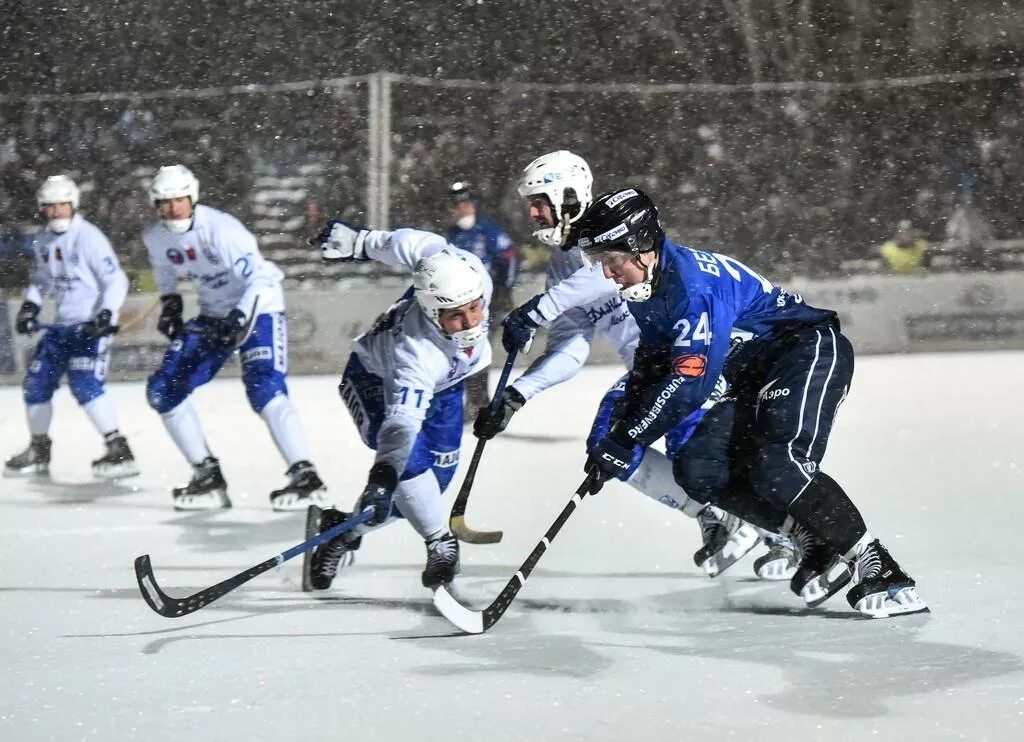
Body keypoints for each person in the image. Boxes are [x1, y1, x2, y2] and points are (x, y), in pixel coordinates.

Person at [574, 187, 928, 618]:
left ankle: (877, 566)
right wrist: (618, 435)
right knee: (696, 469)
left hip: (804, 351)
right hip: (754, 375)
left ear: (642, 246)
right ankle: (808, 537)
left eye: (612, 261)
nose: (608, 274)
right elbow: (651, 366)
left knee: (777, 463)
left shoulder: (692, 287)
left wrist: (628, 438)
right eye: (601, 263)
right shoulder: (650, 290)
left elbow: (691, 385)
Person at [473, 151, 787, 579]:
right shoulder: (562, 266)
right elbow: (571, 348)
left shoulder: (617, 230)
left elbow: (597, 276)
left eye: (539, 202)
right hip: (651, 370)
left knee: (693, 450)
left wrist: (535, 311)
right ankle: (724, 517)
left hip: (697, 353)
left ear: (567, 196)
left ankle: (787, 533)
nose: (532, 213)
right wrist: (514, 396)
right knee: (612, 444)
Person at [303, 219, 492, 592]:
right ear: (432, 312)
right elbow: (401, 426)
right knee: (409, 472)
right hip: (374, 380)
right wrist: (384, 473)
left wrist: (361, 242)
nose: (471, 323)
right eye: (456, 315)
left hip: (447, 387)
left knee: (429, 490)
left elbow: (411, 242)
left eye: (475, 308)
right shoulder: (416, 353)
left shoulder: (463, 268)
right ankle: (440, 543)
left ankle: (341, 530)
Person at [142, 164, 327, 511]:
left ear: (192, 197)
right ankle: (207, 476)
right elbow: (164, 268)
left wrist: (240, 318)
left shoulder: (222, 229)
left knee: (265, 389)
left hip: (258, 308)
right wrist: (170, 302)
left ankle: (307, 477)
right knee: (163, 390)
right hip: (213, 315)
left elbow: (260, 279)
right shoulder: (156, 235)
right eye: (164, 203)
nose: (171, 209)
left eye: (178, 201)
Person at [4, 175, 139, 479]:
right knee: (36, 385)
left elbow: (115, 279)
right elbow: (41, 280)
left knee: (85, 383)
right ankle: (39, 449)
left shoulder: (89, 237)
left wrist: (105, 314)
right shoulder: (43, 240)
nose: (56, 212)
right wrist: (30, 306)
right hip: (61, 326)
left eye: (62, 205)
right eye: (50, 207)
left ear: (73, 205)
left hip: (90, 327)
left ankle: (119, 448)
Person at [445, 181, 517, 419]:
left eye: (464, 204)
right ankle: (472, 403)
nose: (459, 210)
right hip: (457, 303)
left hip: (485, 303)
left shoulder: (487, 230)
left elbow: (509, 255)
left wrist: (504, 290)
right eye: (455, 205)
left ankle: (479, 404)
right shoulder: (453, 234)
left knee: (476, 351)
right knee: (459, 353)